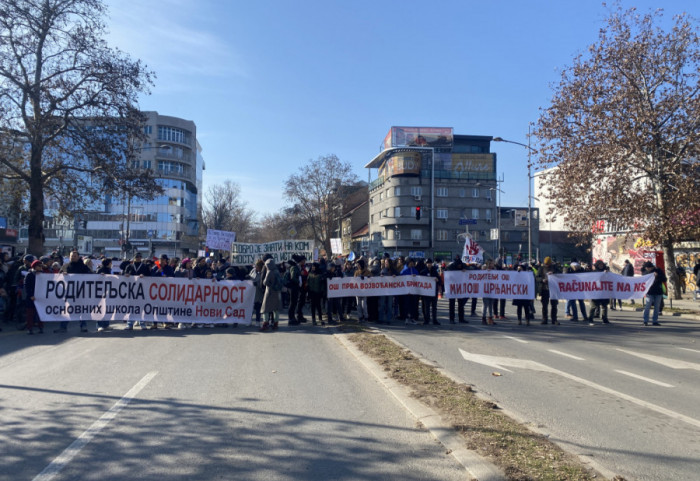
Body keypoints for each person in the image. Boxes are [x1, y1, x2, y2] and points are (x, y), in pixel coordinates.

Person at [55, 250, 92, 333]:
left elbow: (91, 277)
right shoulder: (65, 266)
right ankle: (63, 327)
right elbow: (58, 277)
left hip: (81, 292)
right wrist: (62, 275)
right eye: (71, 256)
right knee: (67, 310)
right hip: (68, 292)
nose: (73, 257)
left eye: (75, 256)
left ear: (78, 257)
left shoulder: (84, 267)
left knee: (81, 309)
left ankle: (83, 326)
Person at [123, 252, 152, 330]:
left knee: (141, 306)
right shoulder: (129, 266)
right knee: (131, 306)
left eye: (139, 257)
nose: (138, 258)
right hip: (131, 289)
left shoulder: (144, 266)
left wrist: (144, 276)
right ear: (134, 257)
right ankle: (130, 323)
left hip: (141, 290)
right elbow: (124, 274)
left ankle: (142, 322)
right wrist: (126, 275)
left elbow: (149, 275)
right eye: (136, 257)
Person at [536, 256, 560, 325]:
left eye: (548, 264)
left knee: (554, 305)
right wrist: (542, 280)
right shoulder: (541, 268)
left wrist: (554, 273)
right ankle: (544, 319)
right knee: (544, 305)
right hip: (544, 289)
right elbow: (537, 277)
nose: (547, 265)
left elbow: (560, 274)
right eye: (546, 264)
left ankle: (554, 319)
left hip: (553, 289)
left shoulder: (554, 268)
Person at [260, 258, 283, 331]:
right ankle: (276, 323)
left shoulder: (269, 272)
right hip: (277, 292)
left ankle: (265, 323)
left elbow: (265, 282)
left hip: (269, 292)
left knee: (265, 309)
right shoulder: (277, 271)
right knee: (276, 309)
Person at [587, 260, 611, 325]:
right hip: (596, 292)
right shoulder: (594, 273)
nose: (601, 266)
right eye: (599, 265)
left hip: (604, 292)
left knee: (604, 306)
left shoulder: (607, 272)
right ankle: (590, 320)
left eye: (602, 265)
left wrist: (607, 273)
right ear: (597, 265)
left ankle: (605, 319)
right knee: (593, 307)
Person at [642, 261, 667, 326]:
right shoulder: (645, 272)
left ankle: (655, 321)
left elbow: (664, 279)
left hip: (658, 291)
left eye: (648, 268)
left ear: (651, 267)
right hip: (649, 292)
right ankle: (645, 320)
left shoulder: (658, 271)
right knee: (647, 306)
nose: (647, 269)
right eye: (646, 268)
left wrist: (657, 276)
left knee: (657, 307)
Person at [24, 260, 44, 335]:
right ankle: (29, 328)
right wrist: (31, 295)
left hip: (40, 297)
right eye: (39, 266)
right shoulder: (29, 275)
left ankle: (41, 327)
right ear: (35, 267)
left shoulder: (42, 274)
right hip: (31, 298)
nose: (40, 268)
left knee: (40, 313)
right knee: (30, 314)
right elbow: (27, 286)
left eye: (41, 266)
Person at [446, 255, 468, 324]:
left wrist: (465, 269)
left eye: (460, 266)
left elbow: (468, 268)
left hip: (460, 288)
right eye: (458, 266)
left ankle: (461, 318)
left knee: (461, 305)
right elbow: (446, 272)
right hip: (452, 288)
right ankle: (451, 319)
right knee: (452, 305)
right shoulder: (451, 267)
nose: (459, 266)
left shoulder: (462, 265)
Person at [420, 259, 441, 325]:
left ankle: (434, 319)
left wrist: (437, 280)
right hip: (426, 292)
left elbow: (440, 281)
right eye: (428, 263)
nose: (429, 264)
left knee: (434, 307)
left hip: (434, 291)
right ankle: (427, 320)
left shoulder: (434, 271)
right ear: (426, 264)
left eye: (430, 263)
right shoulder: (423, 272)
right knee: (426, 307)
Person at [95, 258, 114, 332]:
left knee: (107, 308)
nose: (111, 264)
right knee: (100, 309)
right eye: (110, 263)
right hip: (100, 292)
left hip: (108, 292)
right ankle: (99, 325)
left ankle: (106, 324)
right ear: (108, 263)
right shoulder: (101, 270)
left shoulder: (109, 270)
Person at [400, 258, 420, 325]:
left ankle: (412, 317)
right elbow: (401, 279)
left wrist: (416, 277)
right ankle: (406, 317)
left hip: (413, 291)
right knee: (406, 304)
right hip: (406, 291)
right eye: (410, 263)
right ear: (408, 263)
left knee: (413, 305)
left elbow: (418, 279)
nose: (412, 264)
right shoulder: (404, 271)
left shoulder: (415, 270)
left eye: (412, 263)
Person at [285, 256, 302, 325]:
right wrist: (298, 281)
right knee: (293, 303)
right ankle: (291, 318)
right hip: (293, 287)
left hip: (293, 287)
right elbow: (293, 277)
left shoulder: (294, 267)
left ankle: (292, 318)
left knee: (293, 303)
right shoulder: (294, 267)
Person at [354, 259, 371, 323]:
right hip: (358, 291)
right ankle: (360, 317)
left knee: (364, 305)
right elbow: (354, 280)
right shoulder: (356, 272)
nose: (358, 266)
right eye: (357, 265)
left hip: (364, 291)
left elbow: (371, 279)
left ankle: (366, 317)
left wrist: (367, 277)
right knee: (359, 305)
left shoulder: (367, 272)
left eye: (359, 264)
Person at [481, 259, 497, 325]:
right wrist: (485, 271)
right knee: (485, 305)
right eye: (492, 263)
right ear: (489, 264)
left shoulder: (494, 270)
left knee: (491, 305)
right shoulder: (484, 270)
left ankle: (490, 318)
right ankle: (483, 318)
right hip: (485, 290)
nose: (493, 264)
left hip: (492, 290)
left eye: (493, 263)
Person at [249, 259, 265, 326]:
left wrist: (257, 284)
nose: (256, 267)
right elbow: (250, 277)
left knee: (258, 307)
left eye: (257, 266)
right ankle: (249, 320)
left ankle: (257, 321)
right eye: (255, 266)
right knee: (251, 307)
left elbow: (263, 282)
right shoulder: (253, 271)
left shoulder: (263, 273)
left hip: (259, 293)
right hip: (251, 292)